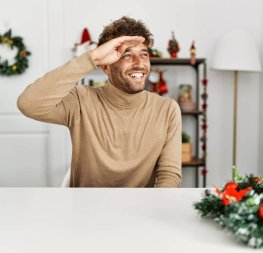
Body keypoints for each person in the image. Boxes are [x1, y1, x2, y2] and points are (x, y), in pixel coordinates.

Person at [17, 17, 182, 187]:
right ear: (105, 67)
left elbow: (169, 174)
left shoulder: (167, 109)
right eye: (127, 55)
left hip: (140, 210)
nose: (139, 64)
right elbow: (28, 104)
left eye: (144, 54)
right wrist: (92, 58)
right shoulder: (80, 100)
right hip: (86, 209)